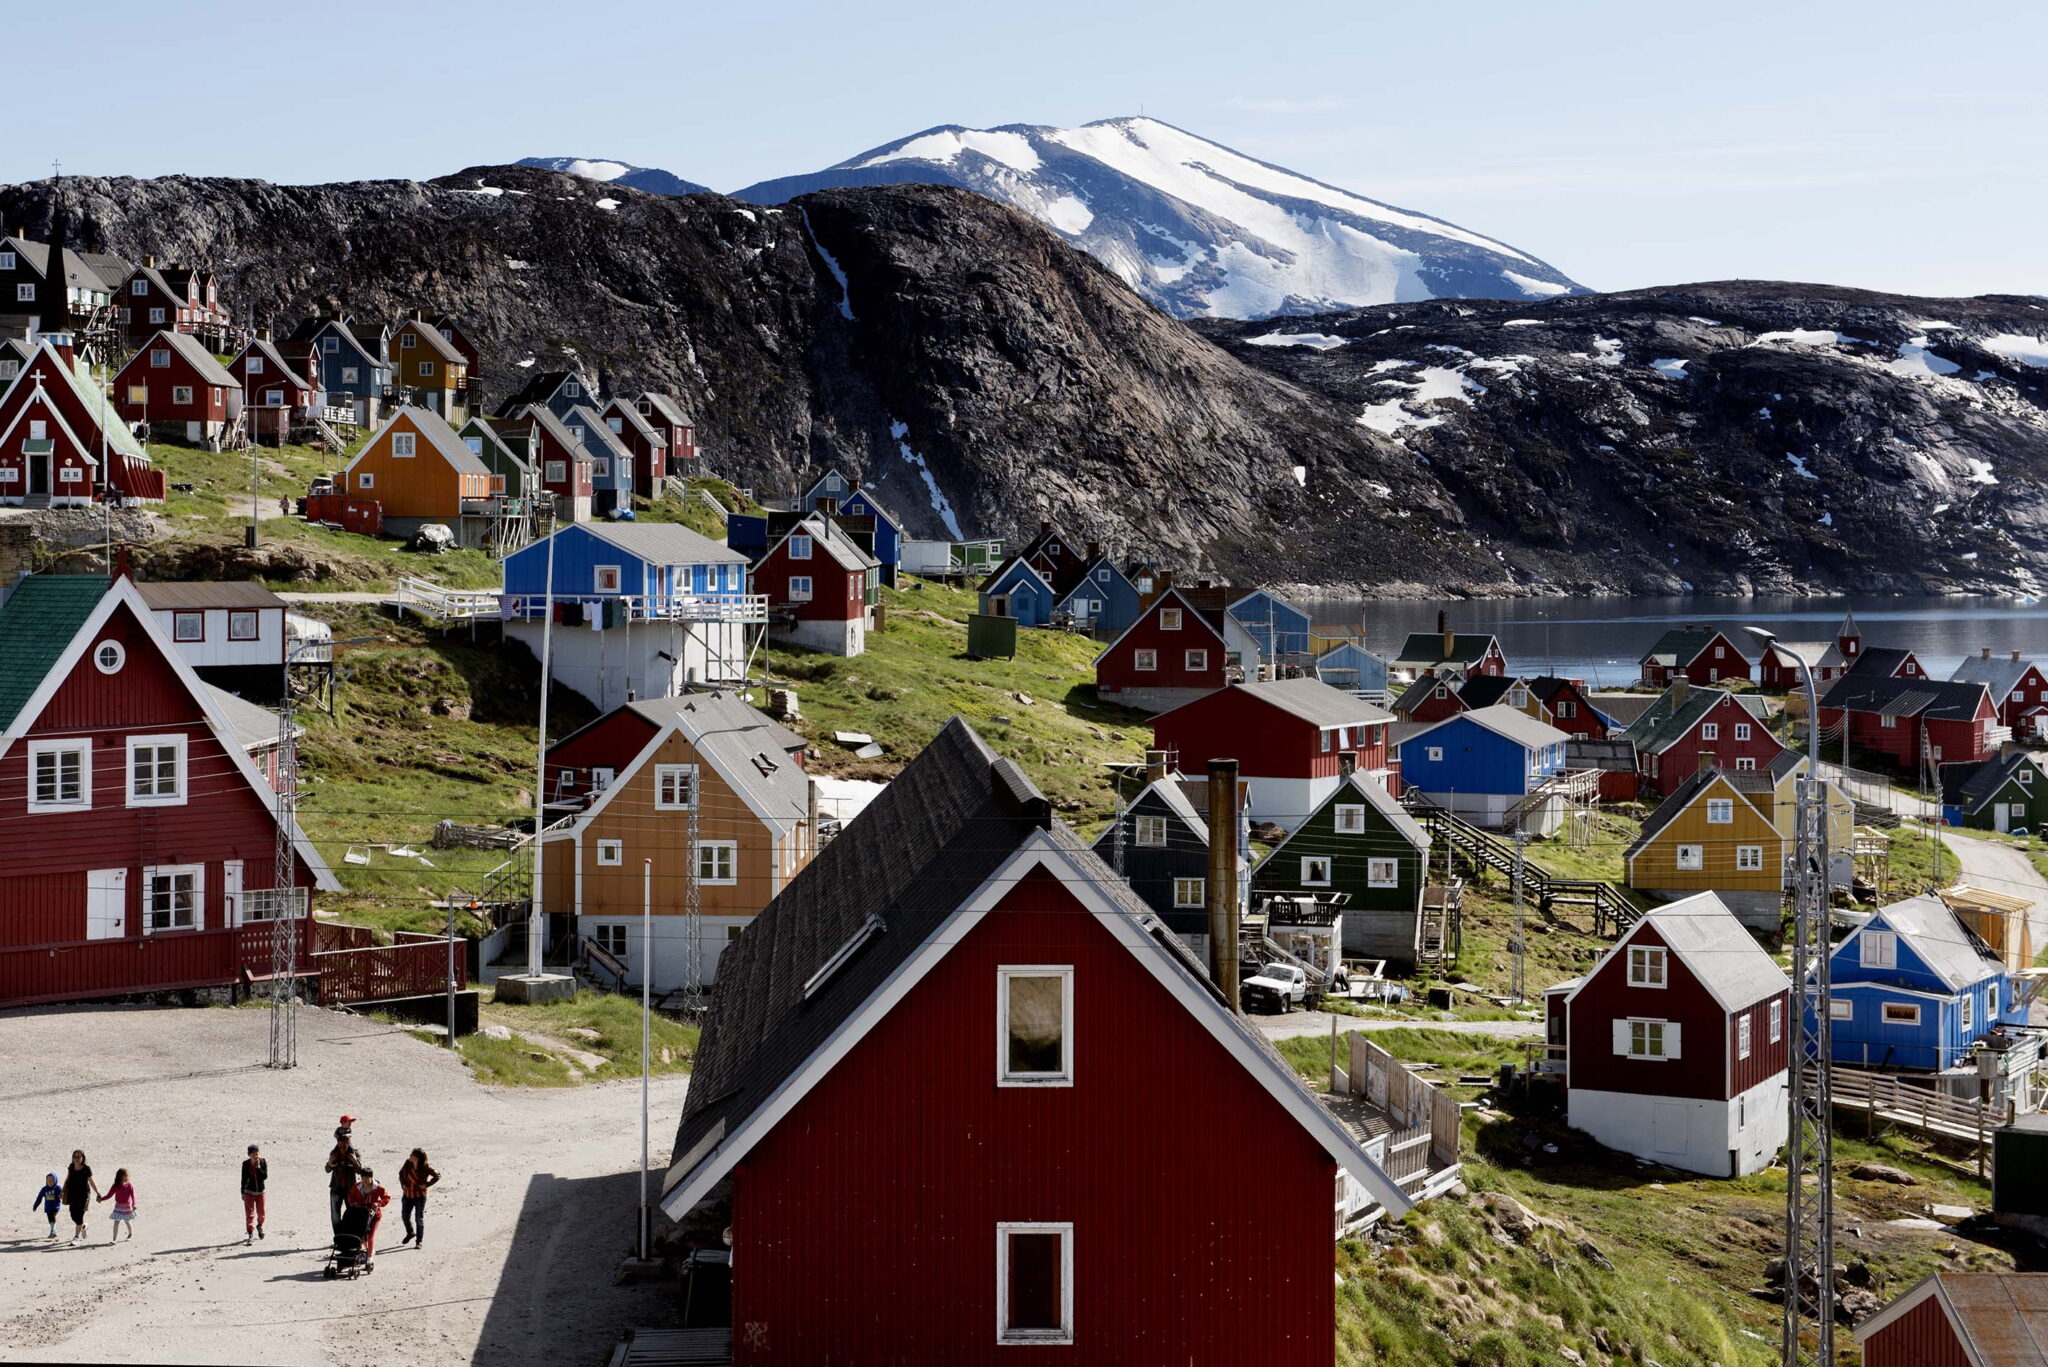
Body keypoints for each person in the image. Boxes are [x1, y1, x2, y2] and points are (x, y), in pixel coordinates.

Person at [344, 1167, 391, 1271]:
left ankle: (369, 1258)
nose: (365, 1180)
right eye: (363, 1178)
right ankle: (369, 1250)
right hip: (361, 1215)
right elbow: (350, 1196)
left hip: (375, 1216)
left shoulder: (378, 1188)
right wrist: (353, 1203)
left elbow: (386, 1198)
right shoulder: (357, 1187)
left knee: (370, 1237)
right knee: (362, 1237)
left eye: (367, 1178)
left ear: (371, 1177)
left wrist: (378, 1203)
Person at [398, 1149, 440, 1248]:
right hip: (407, 1194)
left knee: (418, 1219)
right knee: (405, 1216)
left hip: (420, 1196)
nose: (410, 1155)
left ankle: (419, 1241)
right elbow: (401, 1173)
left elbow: (437, 1175)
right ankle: (410, 1233)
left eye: (412, 1155)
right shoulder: (408, 1163)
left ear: (417, 1157)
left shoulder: (426, 1167)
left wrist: (427, 1184)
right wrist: (403, 1184)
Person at [324, 1120, 362, 1230]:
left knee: (351, 1214)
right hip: (336, 1189)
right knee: (335, 1216)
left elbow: (360, 1171)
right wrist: (330, 1163)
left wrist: (355, 1161)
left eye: (345, 1141)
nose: (343, 1144)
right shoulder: (334, 1153)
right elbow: (327, 1170)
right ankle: (338, 1238)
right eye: (340, 1141)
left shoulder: (354, 1153)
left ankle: (350, 1238)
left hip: (350, 1190)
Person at [61, 1151, 99, 1244]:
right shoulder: (71, 1167)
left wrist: (98, 1192)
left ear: (83, 1157)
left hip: (84, 1195)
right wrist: (62, 1191)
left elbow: (91, 1181)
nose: (76, 1159)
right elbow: (67, 1179)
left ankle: (76, 1237)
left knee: (80, 1215)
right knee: (73, 1215)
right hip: (72, 1194)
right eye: (74, 1157)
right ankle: (83, 1226)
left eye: (78, 1156)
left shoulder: (86, 1169)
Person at [240, 1145, 269, 1245]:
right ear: (249, 1155)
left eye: (257, 1153)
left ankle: (259, 1226)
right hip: (249, 1192)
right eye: (253, 1154)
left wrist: (258, 1168)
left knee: (261, 1214)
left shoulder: (263, 1162)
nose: (255, 1155)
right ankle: (250, 1233)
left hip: (260, 1192)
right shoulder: (245, 1164)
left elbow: (265, 1176)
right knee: (250, 1215)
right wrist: (242, 1192)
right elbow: (243, 1179)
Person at [98, 1168, 136, 1242]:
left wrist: (134, 1204)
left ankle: (130, 1234)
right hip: (118, 1206)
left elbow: (133, 1195)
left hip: (127, 1207)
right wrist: (101, 1199)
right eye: (124, 1175)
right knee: (116, 1221)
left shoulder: (129, 1185)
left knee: (127, 1221)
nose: (126, 1177)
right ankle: (114, 1239)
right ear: (120, 1176)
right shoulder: (115, 1186)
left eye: (126, 1175)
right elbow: (109, 1195)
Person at [31, 1173, 62, 1240]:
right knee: (50, 1219)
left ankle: (53, 1231)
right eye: (48, 1180)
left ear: (55, 1181)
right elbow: (39, 1198)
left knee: (52, 1216)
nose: (50, 1182)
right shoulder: (44, 1189)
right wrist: (35, 1206)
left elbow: (63, 1196)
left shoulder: (58, 1188)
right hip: (48, 1207)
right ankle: (53, 1229)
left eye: (52, 1180)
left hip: (55, 1207)